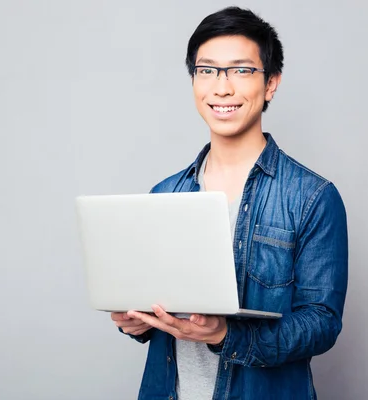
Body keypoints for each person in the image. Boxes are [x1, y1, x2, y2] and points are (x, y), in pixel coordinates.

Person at [110, 6, 348, 400]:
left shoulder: (312, 197)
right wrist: (135, 322)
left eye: (241, 70)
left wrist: (226, 334)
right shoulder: (164, 194)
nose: (222, 88)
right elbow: (154, 302)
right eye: (207, 71)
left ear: (271, 84)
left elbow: (322, 323)